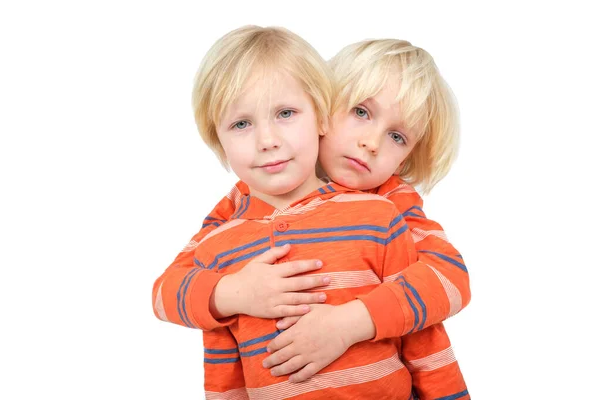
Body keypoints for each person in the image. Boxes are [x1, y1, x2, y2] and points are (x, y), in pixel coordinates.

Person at [154, 26, 469, 400]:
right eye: (360, 112)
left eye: (397, 137)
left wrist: (348, 323)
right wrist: (233, 292)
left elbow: (447, 279)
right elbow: (168, 288)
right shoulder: (238, 208)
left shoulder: (390, 203)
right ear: (323, 106)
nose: (370, 143)